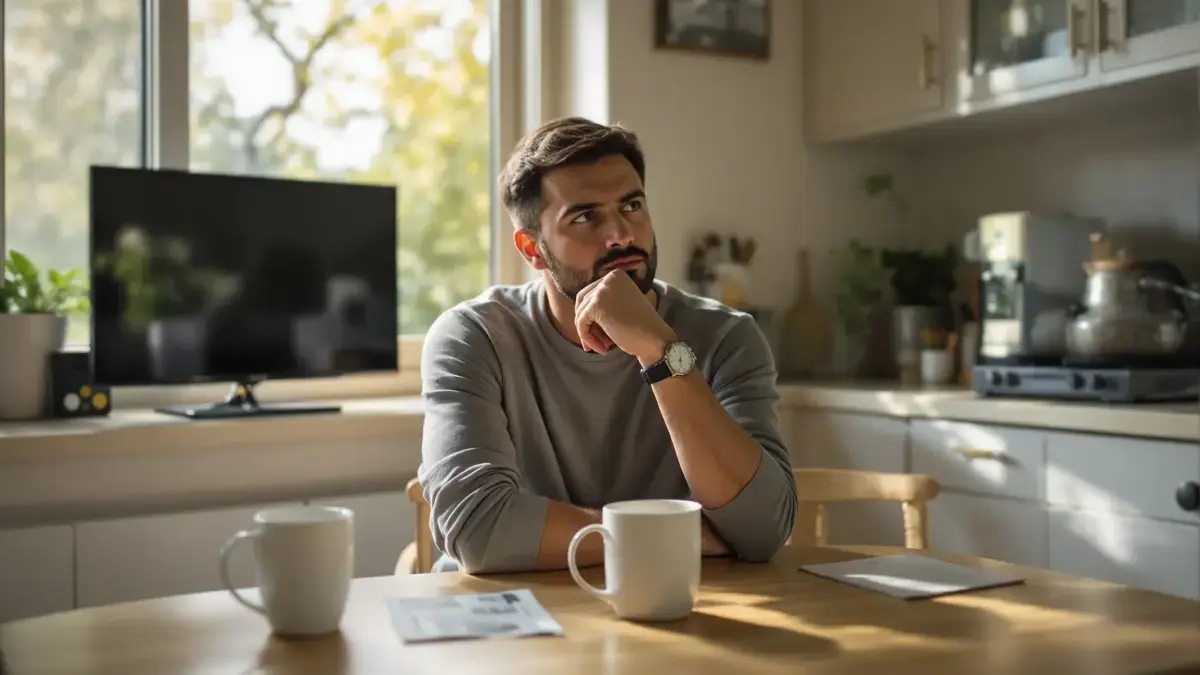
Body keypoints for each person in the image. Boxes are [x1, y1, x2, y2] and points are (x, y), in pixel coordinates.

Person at [417, 116, 796, 574]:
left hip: (675, 607)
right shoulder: (473, 338)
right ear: (532, 249)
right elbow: (480, 531)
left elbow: (762, 530)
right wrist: (671, 534)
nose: (622, 234)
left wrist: (660, 352)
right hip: (513, 618)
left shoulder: (727, 337)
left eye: (632, 205)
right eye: (585, 216)